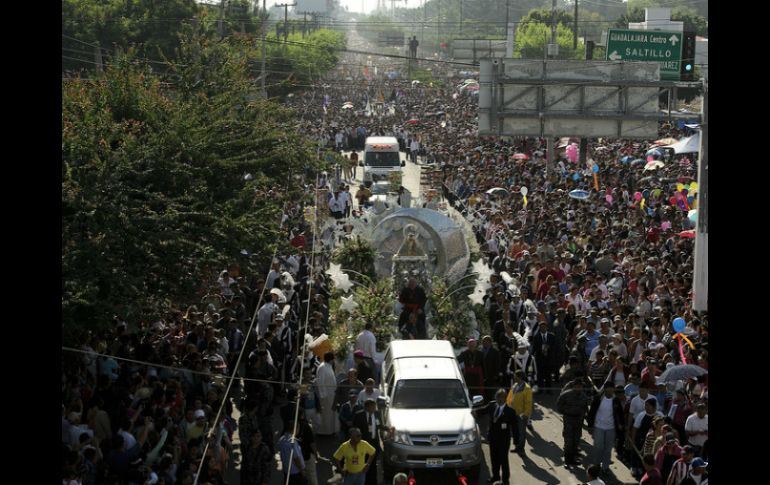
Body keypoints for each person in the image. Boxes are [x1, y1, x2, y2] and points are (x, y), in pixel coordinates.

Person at [474, 388, 516, 484]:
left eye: (501, 398)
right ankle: (495, 477)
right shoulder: (492, 405)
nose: (499, 400)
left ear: (505, 399)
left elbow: (515, 427)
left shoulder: (510, 411)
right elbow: (482, 410)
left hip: (504, 440)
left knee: (503, 460)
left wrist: (516, 441)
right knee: (494, 459)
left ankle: (505, 480)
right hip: (493, 438)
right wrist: (472, 412)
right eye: (498, 397)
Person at [586, 382, 625, 474]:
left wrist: (621, 425)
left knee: (608, 449)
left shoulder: (616, 400)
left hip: (610, 428)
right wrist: (590, 425)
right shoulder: (598, 399)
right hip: (598, 426)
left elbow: (620, 414)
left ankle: (605, 466)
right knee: (598, 447)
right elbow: (591, 412)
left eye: (612, 389)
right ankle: (596, 464)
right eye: (608, 389)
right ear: (605, 389)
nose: (610, 391)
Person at [556, 378, 591, 466]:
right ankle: (568, 461)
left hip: (579, 421)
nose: (579, 388)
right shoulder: (565, 395)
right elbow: (559, 405)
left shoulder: (583, 396)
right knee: (568, 441)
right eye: (577, 386)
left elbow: (586, 408)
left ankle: (573, 458)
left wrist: (586, 416)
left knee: (576, 440)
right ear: (574, 386)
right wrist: (566, 412)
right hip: (569, 420)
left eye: (580, 386)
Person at [352, 399, 382, 485]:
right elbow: (354, 429)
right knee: (363, 463)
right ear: (367, 407)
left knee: (373, 465)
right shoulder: (359, 415)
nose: (374, 408)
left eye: (374, 406)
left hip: (374, 444)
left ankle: (372, 482)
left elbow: (379, 425)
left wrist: (388, 429)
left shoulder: (376, 414)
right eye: (373, 406)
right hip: (362, 444)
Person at [505, 370, 532, 456]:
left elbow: (529, 403)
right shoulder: (515, 385)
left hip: (521, 415)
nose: (514, 377)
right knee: (515, 432)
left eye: (515, 376)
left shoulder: (527, 388)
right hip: (513, 413)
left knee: (521, 433)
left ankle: (521, 450)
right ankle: (517, 447)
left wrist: (526, 414)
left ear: (520, 377)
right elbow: (509, 398)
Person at [315, 351, 338, 436]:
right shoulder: (322, 367)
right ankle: (324, 431)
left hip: (331, 395)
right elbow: (320, 382)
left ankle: (330, 430)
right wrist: (323, 396)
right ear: (331, 359)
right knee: (326, 414)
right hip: (326, 396)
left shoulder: (327, 366)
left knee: (330, 413)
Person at [532, 321, 558, 394]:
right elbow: (534, 348)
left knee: (548, 375)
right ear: (539, 328)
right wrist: (541, 350)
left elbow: (555, 347)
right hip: (540, 358)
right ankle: (540, 389)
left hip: (549, 358)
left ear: (547, 328)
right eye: (541, 327)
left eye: (544, 327)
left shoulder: (551, 336)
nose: (543, 328)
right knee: (540, 375)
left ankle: (548, 389)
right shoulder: (536, 337)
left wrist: (548, 349)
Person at [480, 335, 502, 402]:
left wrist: (496, 374)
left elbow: (498, 364)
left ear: (490, 342)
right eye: (483, 341)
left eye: (486, 341)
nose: (484, 343)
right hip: (482, 374)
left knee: (491, 391)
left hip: (491, 375)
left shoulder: (495, 352)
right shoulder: (480, 351)